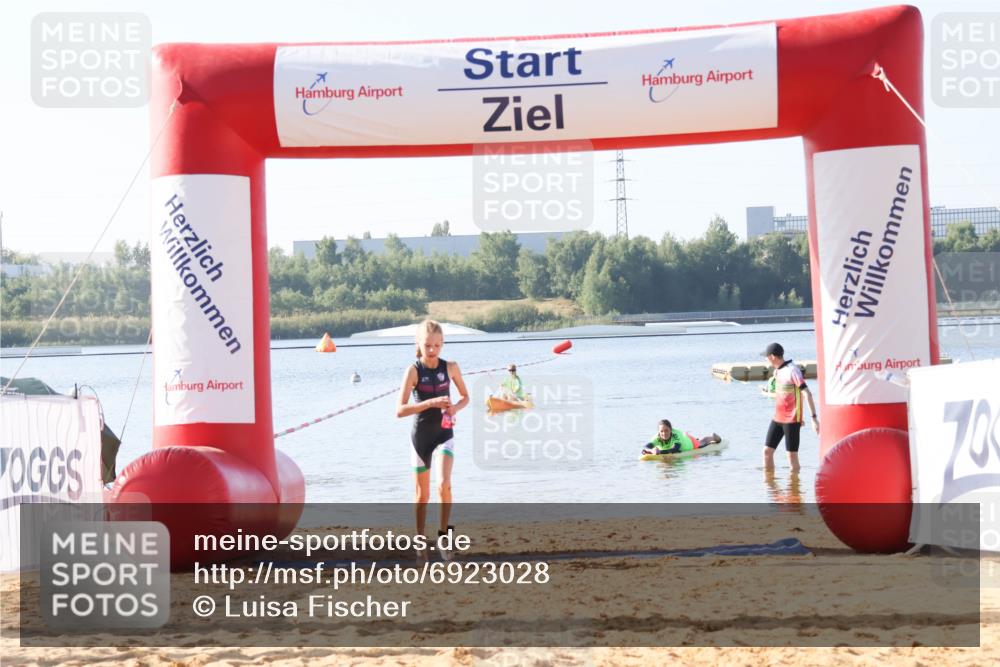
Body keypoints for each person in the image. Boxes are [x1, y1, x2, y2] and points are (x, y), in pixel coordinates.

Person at [396, 320, 469, 561]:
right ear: (418, 344)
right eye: (427, 345)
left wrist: (453, 409)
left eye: (437, 345)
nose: (432, 350)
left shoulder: (451, 367)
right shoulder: (413, 371)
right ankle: (419, 541)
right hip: (421, 437)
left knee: (444, 485)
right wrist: (430, 403)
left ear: (442, 344)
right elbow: (400, 410)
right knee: (422, 495)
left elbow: (465, 397)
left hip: (444, 434)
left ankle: (443, 538)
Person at [762, 342, 819, 473]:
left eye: (766, 356)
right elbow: (786, 395)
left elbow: (806, 393)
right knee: (767, 451)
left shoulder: (792, 371)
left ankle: (794, 490)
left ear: (772, 357)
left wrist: (813, 418)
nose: (765, 359)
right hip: (778, 418)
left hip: (791, 420)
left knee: (791, 457)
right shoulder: (777, 371)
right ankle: (770, 488)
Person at [642, 419, 721, 455]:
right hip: (684, 438)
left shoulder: (676, 435)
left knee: (701, 443)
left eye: (666, 430)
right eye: (661, 431)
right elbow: (646, 446)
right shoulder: (657, 437)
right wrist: (652, 450)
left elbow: (675, 449)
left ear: (671, 430)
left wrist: (660, 452)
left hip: (690, 444)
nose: (664, 433)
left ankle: (714, 438)